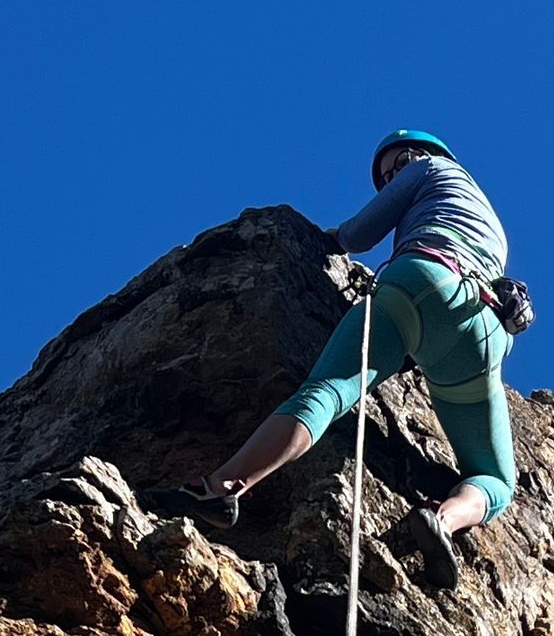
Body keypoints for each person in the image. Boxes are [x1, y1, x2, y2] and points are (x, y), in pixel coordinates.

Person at [163, 131, 518, 588]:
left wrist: (328, 239)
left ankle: (221, 488)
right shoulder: (492, 224)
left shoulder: (430, 169)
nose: (394, 175)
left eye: (397, 166)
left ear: (422, 155)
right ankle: (443, 521)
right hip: (482, 328)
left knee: (325, 393)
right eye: (388, 175)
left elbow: (360, 234)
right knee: (494, 478)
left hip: (418, 281)